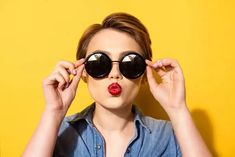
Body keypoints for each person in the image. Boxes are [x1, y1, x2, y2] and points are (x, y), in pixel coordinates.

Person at [22, 12, 212, 157]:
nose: (115, 74)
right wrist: (53, 112)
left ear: (145, 74)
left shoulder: (171, 134)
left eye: (130, 63)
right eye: (99, 62)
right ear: (83, 71)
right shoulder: (56, 130)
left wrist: (178, 110)